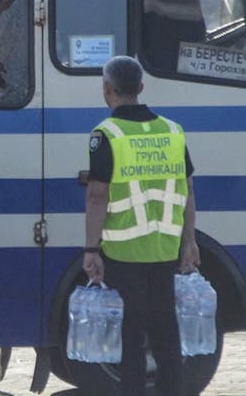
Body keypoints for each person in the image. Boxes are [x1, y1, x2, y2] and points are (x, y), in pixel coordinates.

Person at [82, 55, 200, 396]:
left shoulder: (107, 134)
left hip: (123, 253)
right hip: (164, 249)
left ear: (107, 90)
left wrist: (91, 249)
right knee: (166, 334)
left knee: (131, 337)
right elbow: (188, 189)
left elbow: (97, 195)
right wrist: (189, 241)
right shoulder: (172, 131)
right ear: (141, 88)